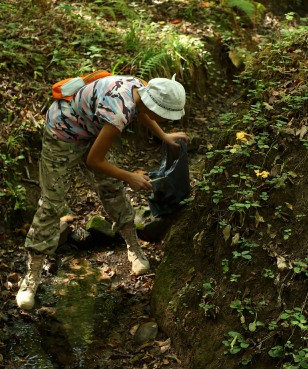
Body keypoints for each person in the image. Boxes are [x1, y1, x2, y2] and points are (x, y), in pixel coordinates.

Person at [16, 74, 188, 310]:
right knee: (51, 204)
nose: (166, 120)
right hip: (63, 134)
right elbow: (94, 161)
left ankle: (133, 247)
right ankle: (31, 276)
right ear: (153, 103)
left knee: (112, 189)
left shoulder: (141, 90)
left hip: (94, 127)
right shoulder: (119, 110)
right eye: (165, 116)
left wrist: (164, 136)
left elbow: (143, 113)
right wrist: (130, 176)